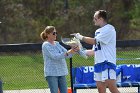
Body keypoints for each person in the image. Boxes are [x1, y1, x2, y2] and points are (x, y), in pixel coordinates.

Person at [74, 10, 120, 93]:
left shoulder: (109, 29)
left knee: (112, 88)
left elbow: (94, 41)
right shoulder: (97, 32)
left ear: (101, 19)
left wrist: (80, 37)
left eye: (95, 18)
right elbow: (93, 51)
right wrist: (79, 51)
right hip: (98, 63)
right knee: (100, 89)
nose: (93, 20)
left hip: (107, 63)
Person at [40, 26, 77, 93]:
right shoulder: (46, 45)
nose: (56, 35)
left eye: (56, 33)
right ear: (48, 34)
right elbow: (55, 56)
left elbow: (67, 55)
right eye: (53, 33)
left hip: (61, 72)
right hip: (52, 74)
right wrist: (69, 52)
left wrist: (74, 50)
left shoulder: (57, 44)